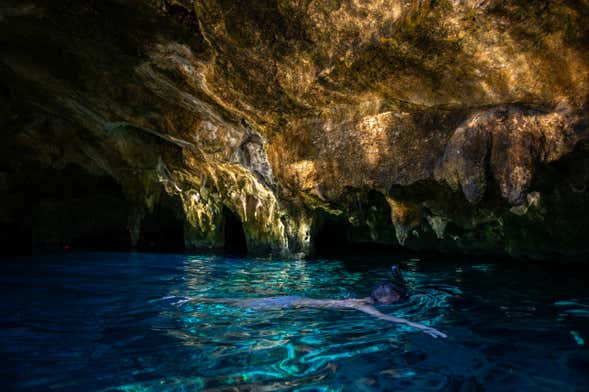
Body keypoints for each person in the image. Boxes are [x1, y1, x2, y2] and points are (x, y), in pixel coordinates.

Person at [170, 267, 447, 339]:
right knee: (238, 306)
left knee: (237, 302)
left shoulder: (360, 298)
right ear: (384, 300)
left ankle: (194, 297)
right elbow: (391, 320)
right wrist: (421, 326)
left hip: (294, 299)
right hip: (291, 306)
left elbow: (398, 292)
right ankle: (193, 299)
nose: (396, 300)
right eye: (394, 297)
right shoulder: (361, 306)